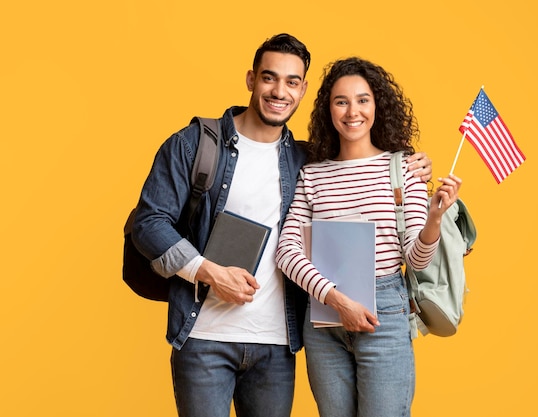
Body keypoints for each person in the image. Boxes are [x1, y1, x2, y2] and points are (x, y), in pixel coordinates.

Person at [132, 34, 433, 417]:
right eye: (269, 78)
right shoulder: (195, 144)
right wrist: (207, 272)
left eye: (292, 82)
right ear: (250, 79)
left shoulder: (305, 160)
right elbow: (149, 223)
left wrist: (416, 171)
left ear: (304, 89)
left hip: (276, 346)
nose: (280, 91)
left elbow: (362, 181)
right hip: (204, 337)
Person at [275, 56, 462, 417]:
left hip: (385, 311)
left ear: (378, 104)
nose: (352, 112)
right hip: (323, 316)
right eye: (341, 101)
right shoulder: (312, 175)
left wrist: (434, 219)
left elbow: (416, 259)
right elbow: (286, 250)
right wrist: (335, 298)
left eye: (362, 100)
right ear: (328, 109)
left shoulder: (404, 168)